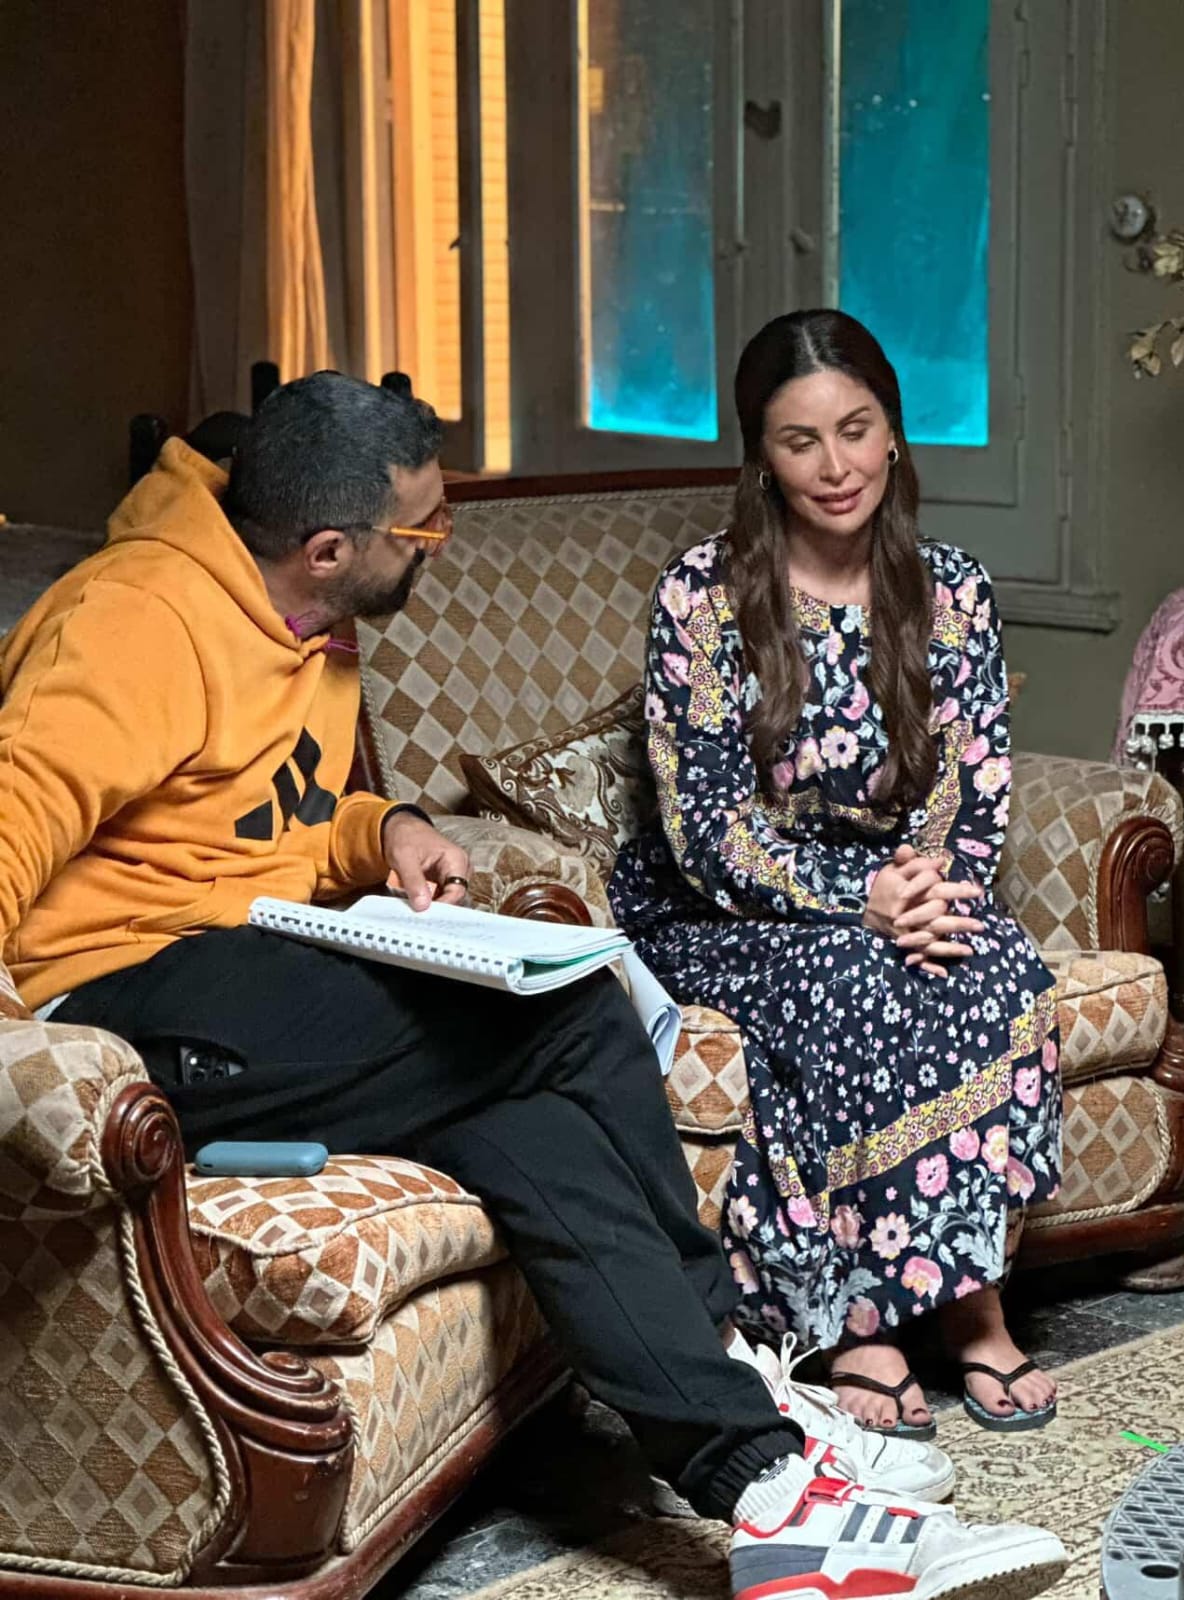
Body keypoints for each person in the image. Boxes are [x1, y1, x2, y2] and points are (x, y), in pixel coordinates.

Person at [0, 371, 1066, 1600]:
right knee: (570, 1003)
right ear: (330, 546)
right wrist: (32, 1062)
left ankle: (766, 1491)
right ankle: (732, 1347)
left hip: (257, 961)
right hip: (119, 1002)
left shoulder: (310, 616)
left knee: (533, 1124)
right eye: (423, 531)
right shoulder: (133, 621)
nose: (441, 544)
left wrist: (384, 829)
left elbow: (253, 819)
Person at [609, 311, 1064, 1439]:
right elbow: (706, 831)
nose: (835, 465)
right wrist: (857, 902)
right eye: (800, 439)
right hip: (726, 909)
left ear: (894, 433)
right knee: (856, 983)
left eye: (855, 430)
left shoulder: (953, 590)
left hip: (901, 888)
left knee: (999, 969)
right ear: (761, 456)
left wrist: (929, 897)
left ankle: (968, 1303)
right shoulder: (703, 595)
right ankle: (858, 1321)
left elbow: (972, 786)